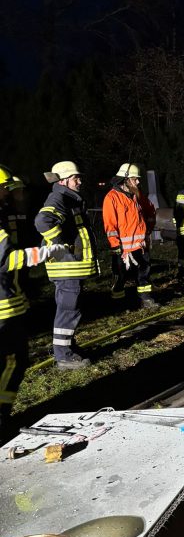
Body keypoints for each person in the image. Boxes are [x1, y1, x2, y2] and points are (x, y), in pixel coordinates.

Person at [0, 167, 70, 440]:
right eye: (5, 188)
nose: (8, 193)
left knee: (15, 362)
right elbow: (6, 260)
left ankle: (4, 415)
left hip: (10, 300)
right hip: (3, 307)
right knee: (12, 361)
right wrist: (44, 253)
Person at [35, 160, 98, 370]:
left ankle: (67, 347)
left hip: (70, 266)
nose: (79, 181)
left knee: (70, 310)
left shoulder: (69, 198)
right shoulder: (59, 197)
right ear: (63, 180)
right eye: (75, 178)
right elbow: (43, 220)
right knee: (68, 310)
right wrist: (59, 242)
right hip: (66, 266)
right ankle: (64, 356)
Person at [102, 163, 157, 309]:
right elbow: (110, 225)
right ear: (125, 179)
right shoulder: (112, 198)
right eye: (134, 179)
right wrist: (115, 246)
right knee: (120, 277)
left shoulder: (137, 195)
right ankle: (119, 304)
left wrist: (148, 230)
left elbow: (150, 210)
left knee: (143, 275)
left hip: (141, 246)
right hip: (123, 249)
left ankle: (146, 299)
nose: (138, 182)